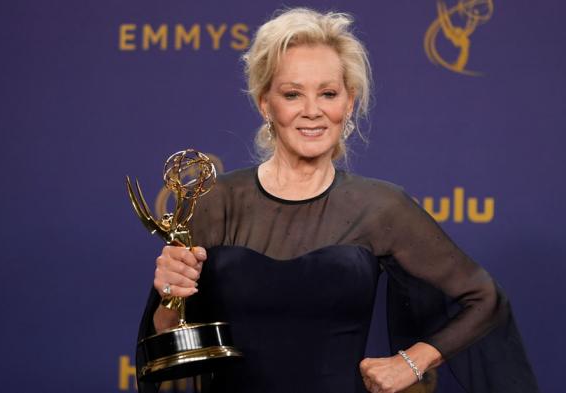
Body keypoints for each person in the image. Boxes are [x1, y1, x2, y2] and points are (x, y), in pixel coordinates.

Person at [138, 8, 539, 393]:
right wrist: (170, 296)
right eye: (292, 94)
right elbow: (168, 334)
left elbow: (484, 298)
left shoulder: (381, 207)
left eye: (328, 93)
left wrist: (412, 361)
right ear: (265, 104)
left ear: (349, 103)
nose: (312, 111)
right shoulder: (214, 200)